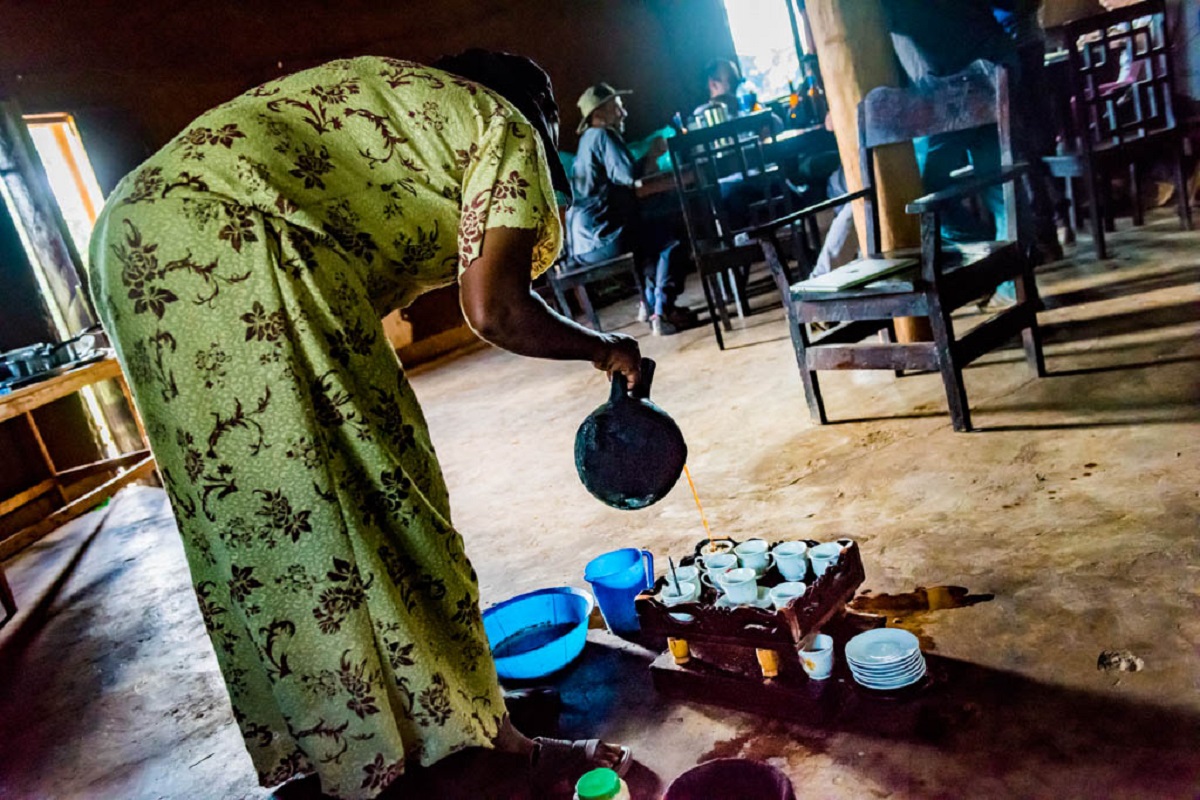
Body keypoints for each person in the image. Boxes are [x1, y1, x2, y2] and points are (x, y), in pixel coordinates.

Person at [86, 52, 637, 800]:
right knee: (389, 494)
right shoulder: (504, 123)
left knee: (265, 522)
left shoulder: (408, 113)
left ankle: (364, 741)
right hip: (242, 238)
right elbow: (496, 308)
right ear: (539, 111)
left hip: (131, 238)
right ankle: (486, 741)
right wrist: (603, 348)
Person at [569, 82, 694, 335]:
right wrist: (652, 154)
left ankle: (649, 305)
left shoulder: (586, 142)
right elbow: (629, 177)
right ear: (598, 114)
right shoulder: (604, 135)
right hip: (603, 238)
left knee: (649, 238)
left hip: (582, 245)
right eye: (617, 108)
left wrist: (648, 159)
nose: (623, 113)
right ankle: (663, 311)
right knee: (673, 238)